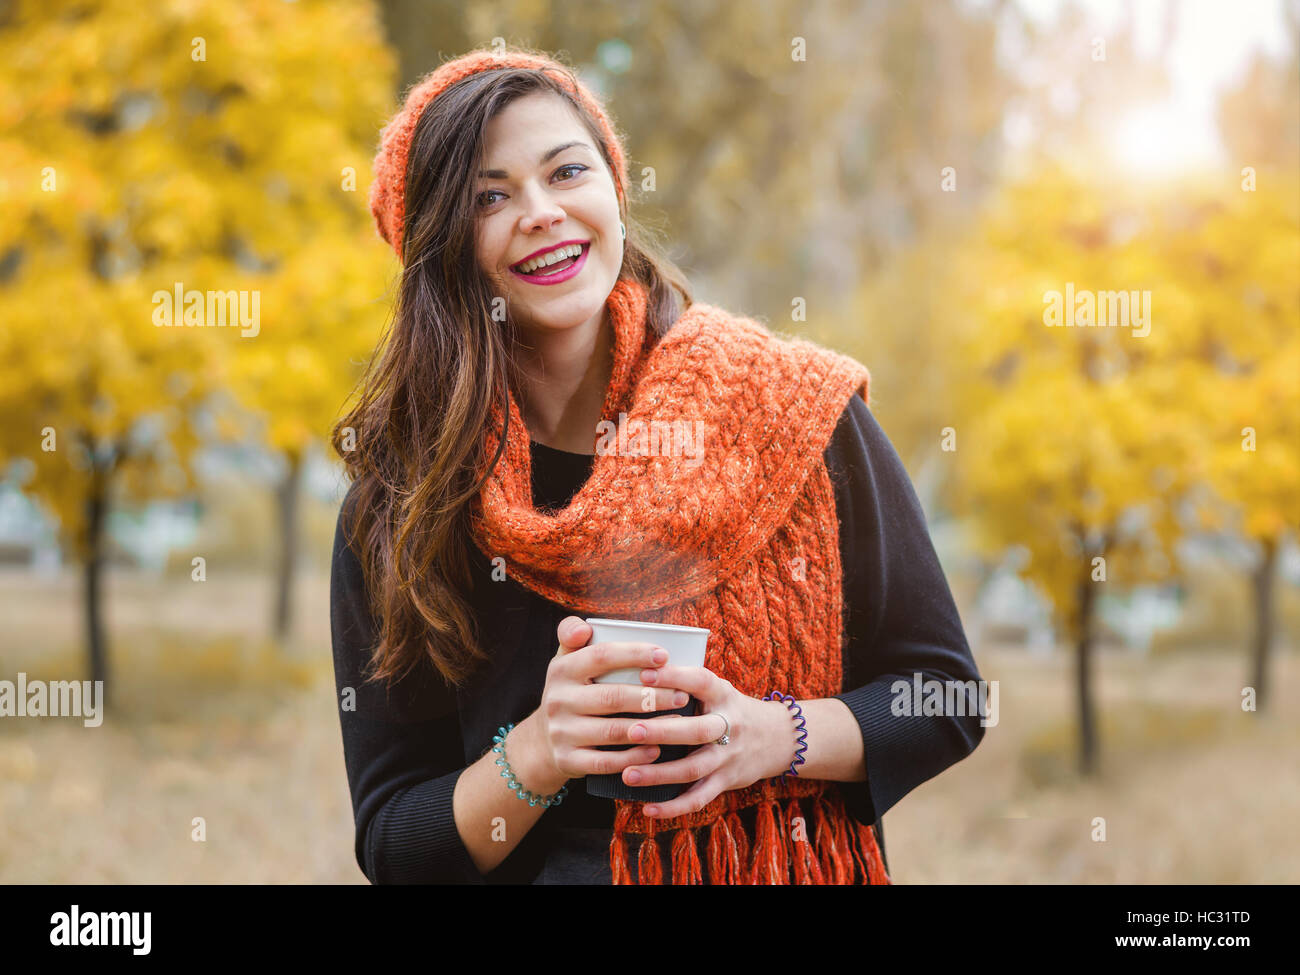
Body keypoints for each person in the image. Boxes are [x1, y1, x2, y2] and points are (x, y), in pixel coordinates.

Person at [330, 45, 986, 884]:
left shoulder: (795, 412)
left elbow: (948, 700)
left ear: (612, 187)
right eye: (488, 197)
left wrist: (772, 737)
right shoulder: (406, 502)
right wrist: (537, 752)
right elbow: (394, 846)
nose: (540, 211)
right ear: (439, 246)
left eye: (567, 171)